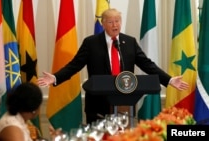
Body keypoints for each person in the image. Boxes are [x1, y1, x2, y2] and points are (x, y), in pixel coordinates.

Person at [37, 8, 189, 124]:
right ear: (103, 24)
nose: (115, 25)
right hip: (98, 105)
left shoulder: (129, 42)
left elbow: (148, 65)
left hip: (125, 103)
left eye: (117, 21)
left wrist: (168, 80)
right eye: (110, 21)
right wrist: (56, 77)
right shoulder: (91, 43)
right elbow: (74, 65)